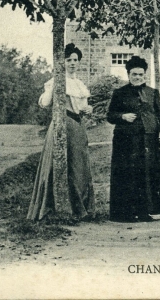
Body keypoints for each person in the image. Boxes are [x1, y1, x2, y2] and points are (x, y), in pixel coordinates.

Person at [28, 43, 95, 221]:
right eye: (68, 60)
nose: (72, 63)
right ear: (62, 62)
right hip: (62, 126)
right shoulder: (56, 81)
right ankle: (57, 208)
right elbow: (44, 103)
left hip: (78, 127)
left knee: (79, 166)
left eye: (75, 60)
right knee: (61, 166)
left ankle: (80, 208)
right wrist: (53, 87)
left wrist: (88, 109)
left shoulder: (79, 84)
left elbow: (82, 107)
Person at [106, 56, 160, 222]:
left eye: (140, 74)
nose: (137, 77)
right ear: (128, 75)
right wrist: (123, 116)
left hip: (148, 140)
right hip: (125, 141)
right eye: (134, 74)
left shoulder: (152, 93)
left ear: (145, 75)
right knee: (127, 175)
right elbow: (110, 116)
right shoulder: (119, 93)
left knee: (146, 175)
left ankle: (144, 211)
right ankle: (124, 213)